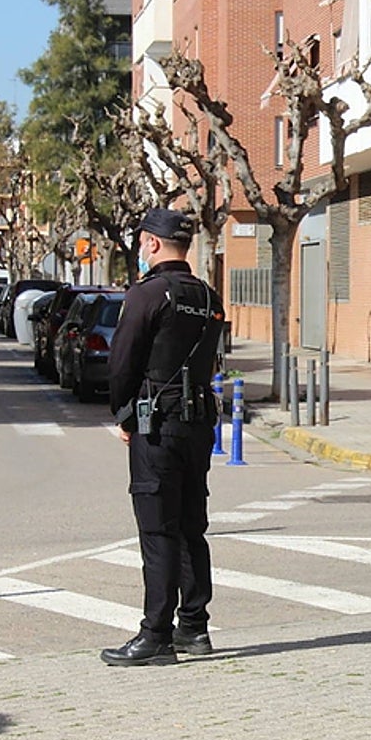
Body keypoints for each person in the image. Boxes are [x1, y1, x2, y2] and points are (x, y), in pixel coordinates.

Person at [101, 208, 226, 666]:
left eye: (140, 243)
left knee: (158, 529)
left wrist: (124, 415)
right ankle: (194, 626)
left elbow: (123, 362)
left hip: (158, 425)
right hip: (198, 426)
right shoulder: (208, 296)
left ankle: (155, 634)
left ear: (152, 243)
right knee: (192, 525)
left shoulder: (148, 294)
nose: (139, 251)